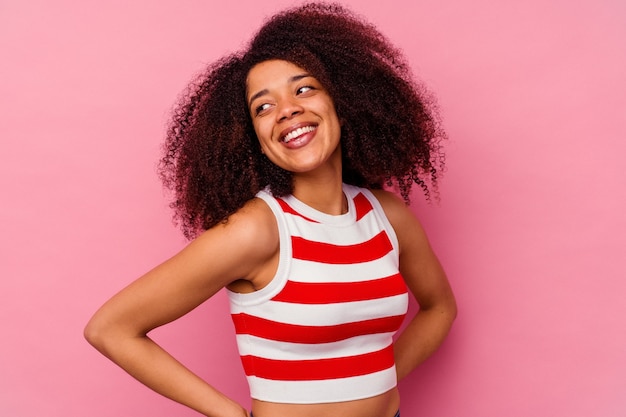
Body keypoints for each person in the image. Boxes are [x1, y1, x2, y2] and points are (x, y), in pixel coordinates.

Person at [84, 3, 457, 417]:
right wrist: (230, 414)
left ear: (342, 102)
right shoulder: (257, 230)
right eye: (263, 107)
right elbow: (110, 329)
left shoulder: (387, 216)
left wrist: (381, 379)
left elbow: (440, 308)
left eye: (303, 89)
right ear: (256, 141)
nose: (287, 110)